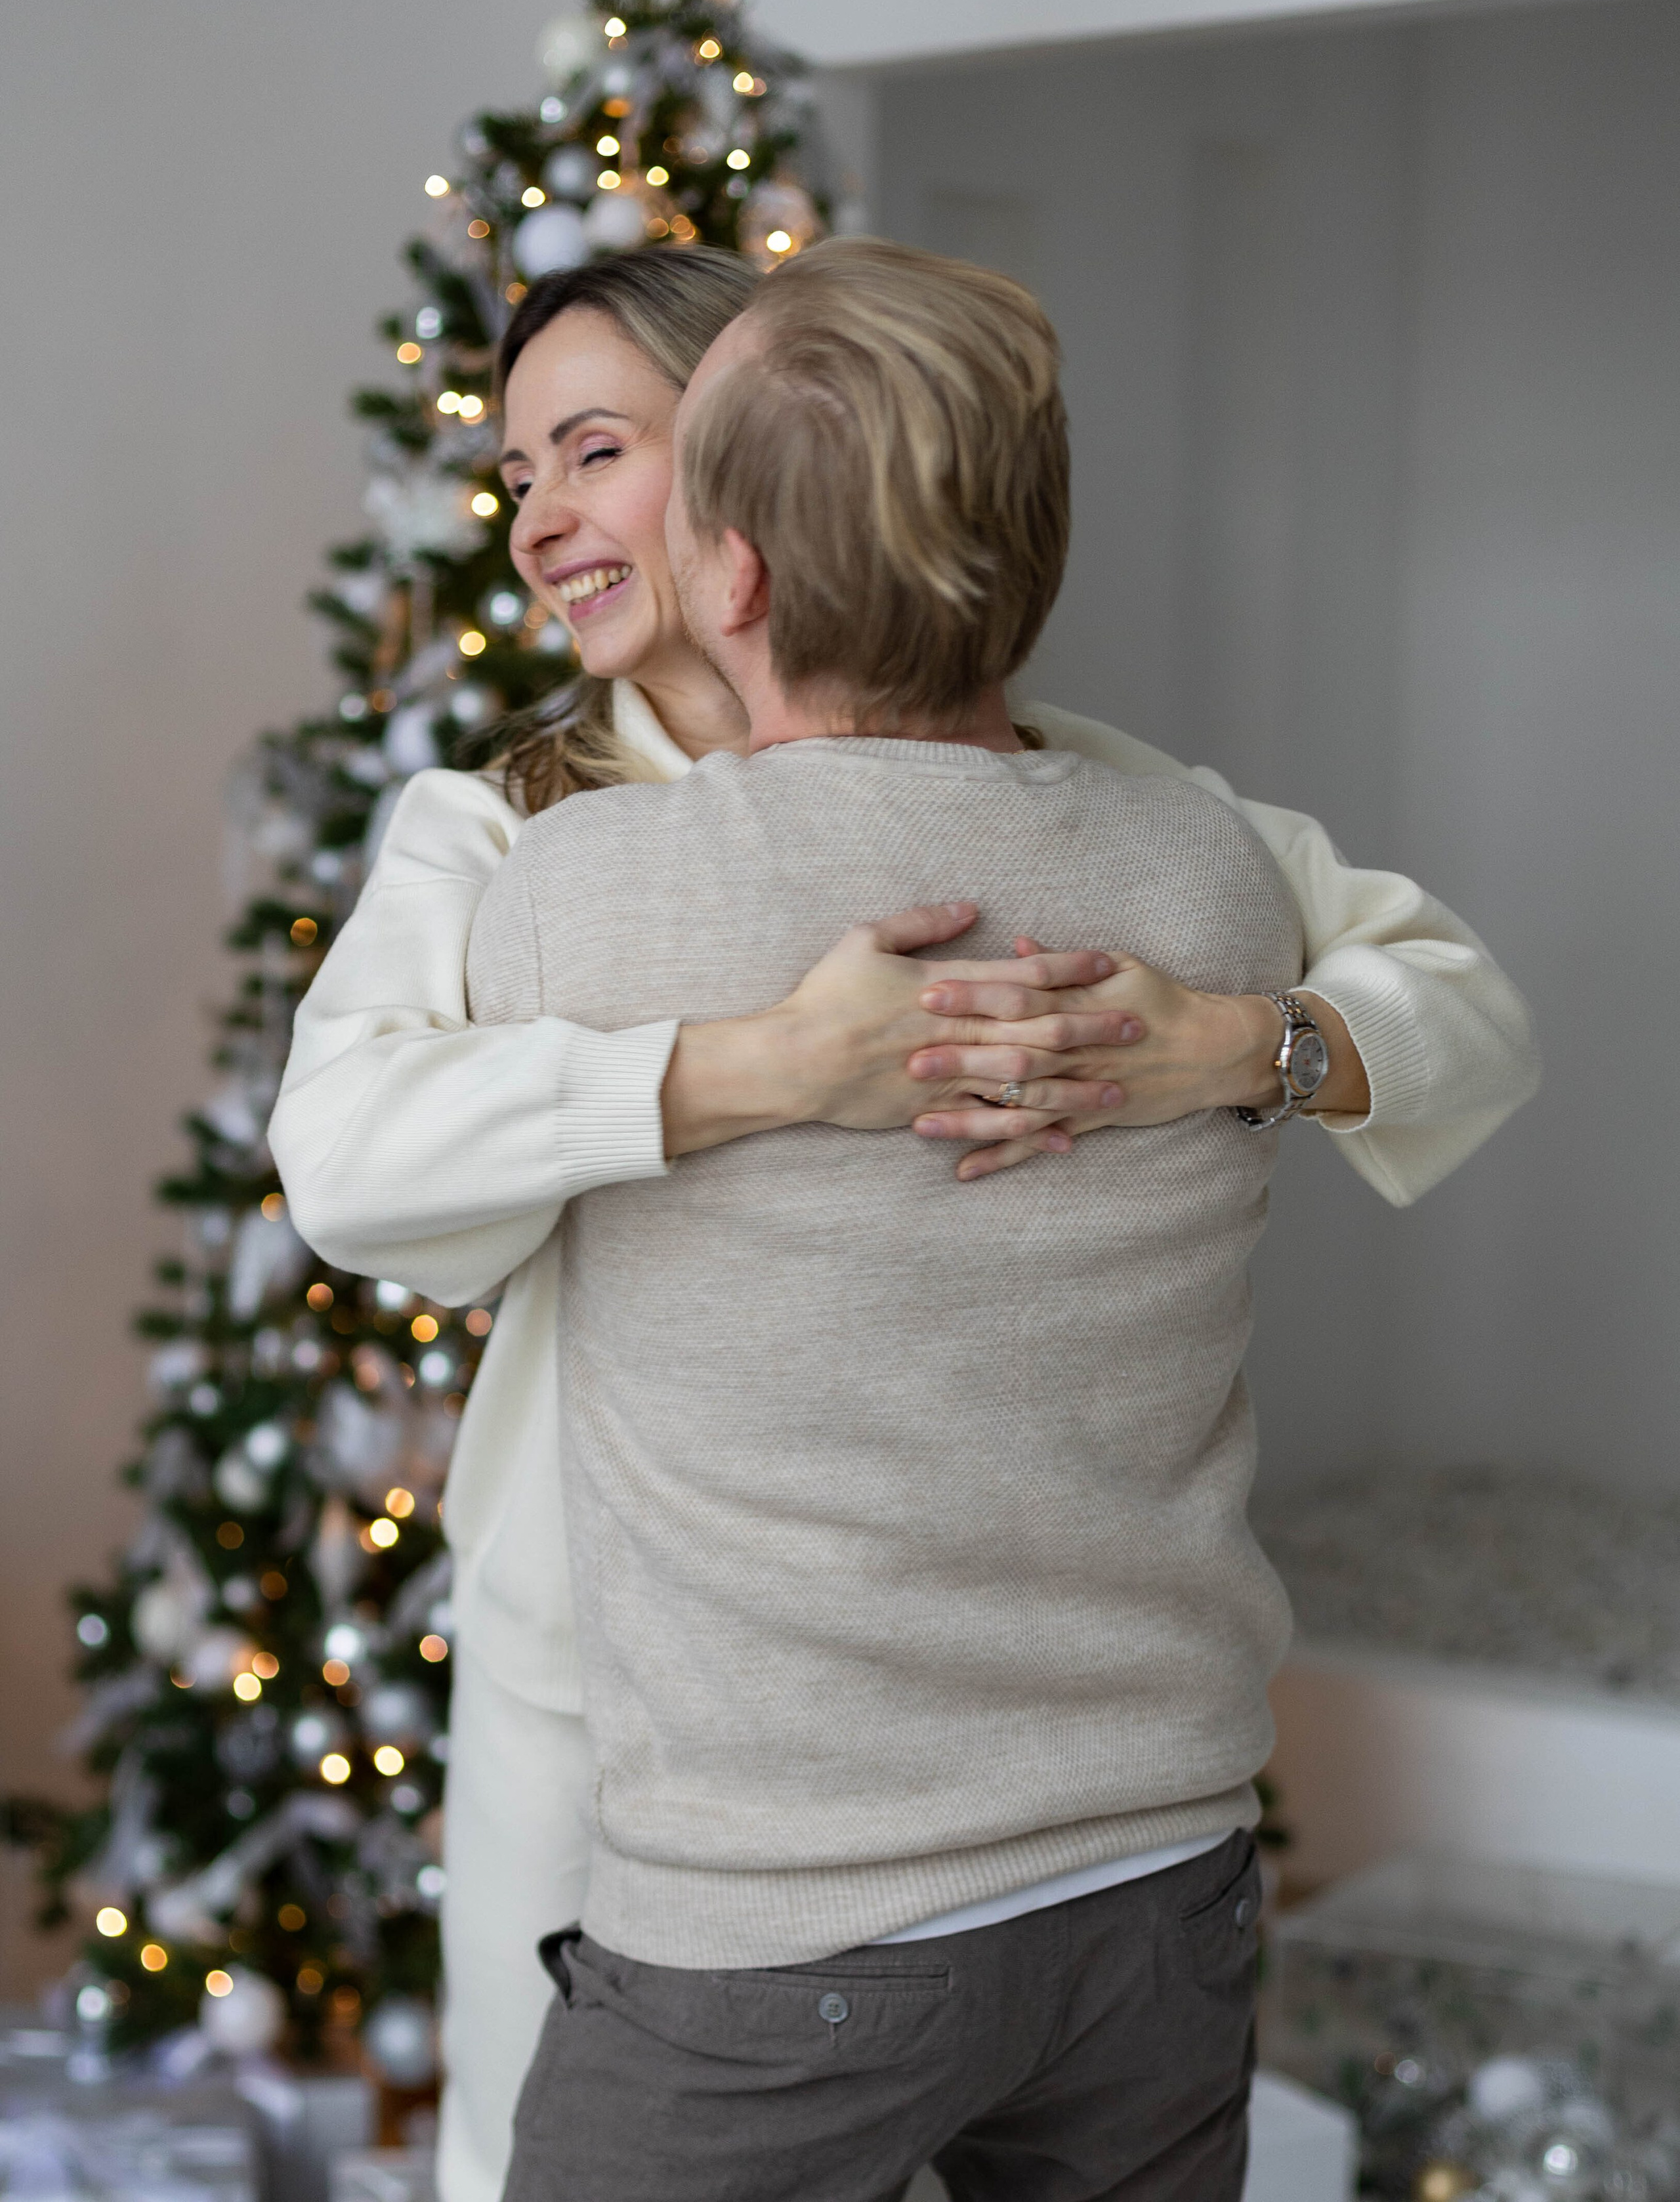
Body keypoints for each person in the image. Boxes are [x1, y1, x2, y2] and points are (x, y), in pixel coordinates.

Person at [270, 249, 1537, 2202]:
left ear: (747, 483)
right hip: (625, 1720)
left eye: (593, 451)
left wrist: (1231, 1041)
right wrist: (759, 1065)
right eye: (513, 468)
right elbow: (346, 1150)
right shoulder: (506, 834)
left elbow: (1459, 1008)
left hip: (1048, 1785)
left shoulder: (1107, 803)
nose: (535, 518)